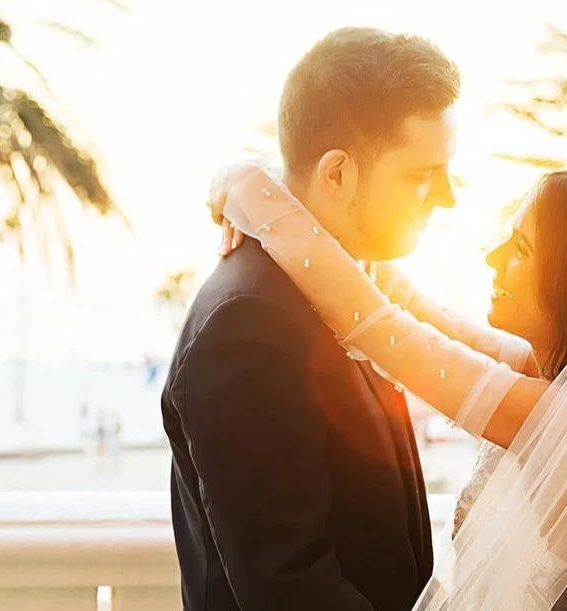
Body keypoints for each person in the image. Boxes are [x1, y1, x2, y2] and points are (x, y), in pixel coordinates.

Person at [209, 160, 567, 609]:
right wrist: (302, 192)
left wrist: (245, 184)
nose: (493, 257)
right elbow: (420, 311)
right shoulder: (550, 377)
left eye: (521, 248)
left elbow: (387, 331)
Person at [161, 27, 459, 610]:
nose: (446, 197)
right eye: (421, 176)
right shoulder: (249, 326)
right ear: (337, 175)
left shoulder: (345, 289)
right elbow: (289, 587)